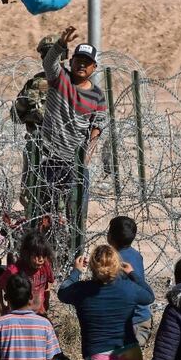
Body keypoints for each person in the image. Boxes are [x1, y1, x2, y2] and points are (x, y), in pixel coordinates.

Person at [35, 27, 107, 247]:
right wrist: (60, 44)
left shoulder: (97, 94)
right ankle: (47, 253)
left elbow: (99, 124)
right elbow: (49, 63)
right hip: (49, 157)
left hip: (74, 163)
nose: (82, 65)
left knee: (75, 213)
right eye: (78, 60)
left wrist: (87, 155)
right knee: (44, 214)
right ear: (71, 61)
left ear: (94, 67)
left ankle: (73, 253)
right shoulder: (60, 79)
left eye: (87, 62)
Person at [12, 35, 66, 216]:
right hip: (64, 147)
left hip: (36, 145)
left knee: (30, 195)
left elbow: (15, 115)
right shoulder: (73, 83)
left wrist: (31, 114)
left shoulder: (33, 85)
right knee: (64, 197)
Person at [107, 216, 153, 347]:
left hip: (132, 324)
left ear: (110, 236)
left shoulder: (115, 261)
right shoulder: (135, 255)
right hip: (141, 319)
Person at [0, 230, 56, 316]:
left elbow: (49, 283)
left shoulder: (45, 266)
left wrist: (46, 303)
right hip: (18, 315)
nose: (41, 259)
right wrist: (2, 309)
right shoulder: (15, 271)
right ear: (26, 254)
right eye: (37, 255)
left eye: (44, 255)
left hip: (39, 314)